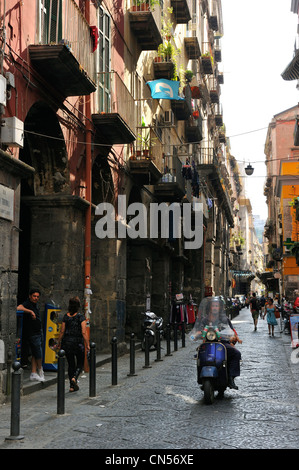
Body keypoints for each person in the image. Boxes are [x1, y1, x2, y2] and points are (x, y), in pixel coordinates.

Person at [190, 296, 242, 390]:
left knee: (236, 353)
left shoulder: (224, 319)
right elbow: (198, 330)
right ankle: (201, 378)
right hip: (207, 343)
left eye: (216, 306)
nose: (214, 307)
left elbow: (231, 331)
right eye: (213, 306)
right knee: (199, 355)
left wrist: (232, 337)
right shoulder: (205, 319)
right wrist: (194, 335)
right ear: (210, 307)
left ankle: (231, 378)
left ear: (220, 307)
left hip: (221, 343)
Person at [57, 297, 90, 392]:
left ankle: (72, 386)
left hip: (66, 343)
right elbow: (84, 332)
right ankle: (74, 378)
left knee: (71, 364)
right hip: (77, 343)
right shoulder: (81, 317)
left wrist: (58, 342)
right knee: (80, 363)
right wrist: (87, 344)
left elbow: (62, 331)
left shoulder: (66, 316)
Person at [17, 288, 45, 382]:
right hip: (32, 333)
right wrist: (30, 311)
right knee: (38, 352)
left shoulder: (35, 304)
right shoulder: (27, 304)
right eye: (34, 296)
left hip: (38, 331)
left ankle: (33, 372)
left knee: (35, 352)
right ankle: (40, 370)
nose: (36, 298)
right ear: (30, 296)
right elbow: (18, 307)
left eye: (37, 296)